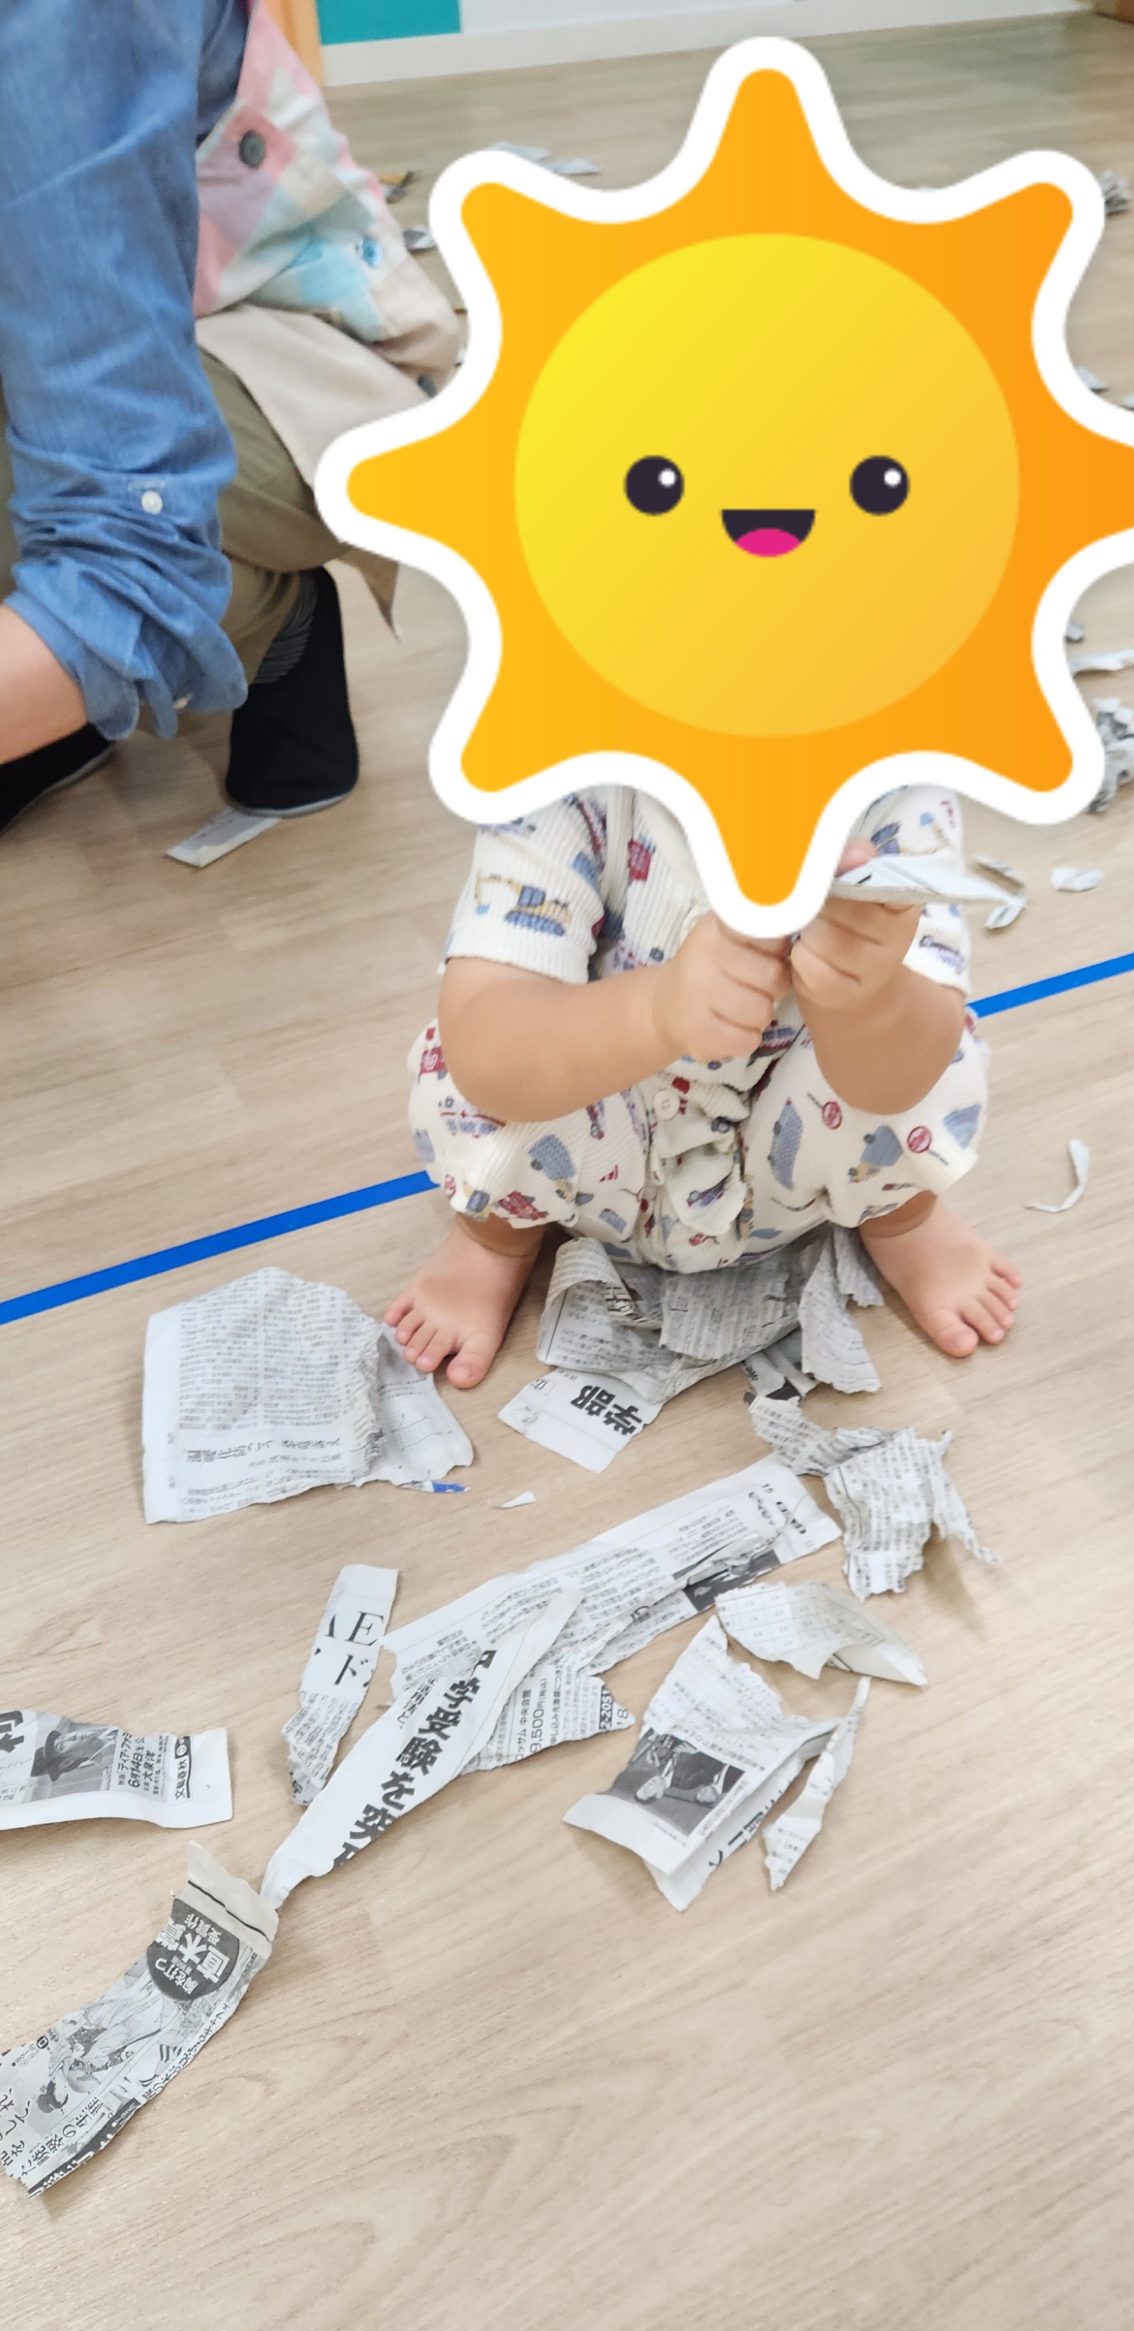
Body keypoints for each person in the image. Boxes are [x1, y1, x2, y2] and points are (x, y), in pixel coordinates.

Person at [0, 0, 458, 842]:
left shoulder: (63, 24)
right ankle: (65, 703)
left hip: (305, 359)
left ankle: (280, 622)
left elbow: (126, 552)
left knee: (80, 525)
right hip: (138, 322)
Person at [386, 786, 1021, 1387]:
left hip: (790, 1174)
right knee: (486, 1055)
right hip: (597, 1163)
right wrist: (653, 1012)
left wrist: (869, 995)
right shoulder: (562, 778)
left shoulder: (895, 792)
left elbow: (905, 1079)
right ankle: (495, 1241)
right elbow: (488, 1051)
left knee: (931, 1051)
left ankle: (902, 1223)